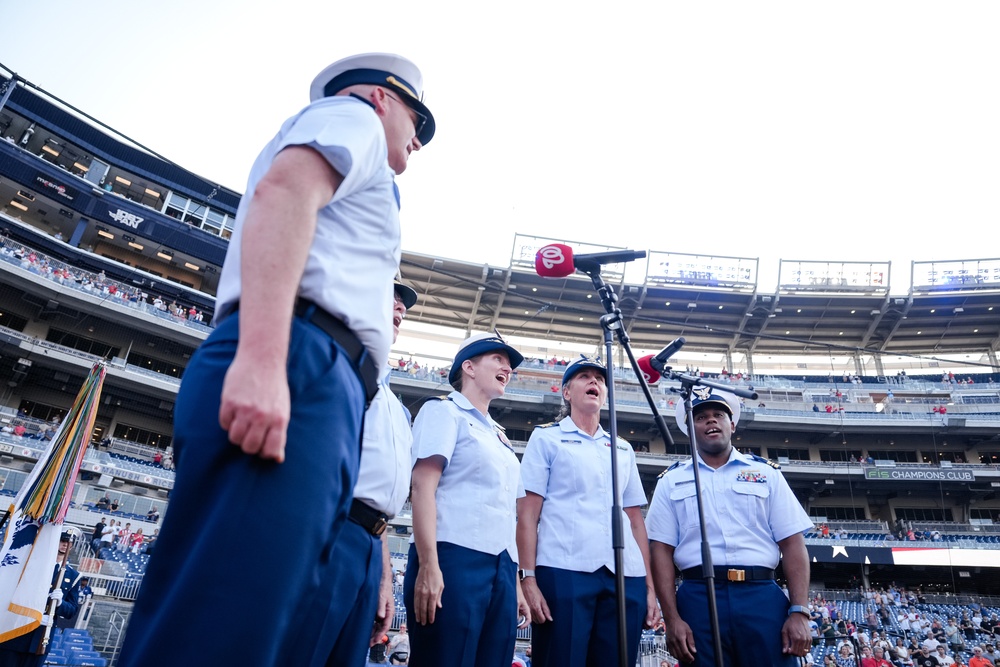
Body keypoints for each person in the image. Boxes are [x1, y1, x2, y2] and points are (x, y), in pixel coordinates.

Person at [119, 52, 435, 667]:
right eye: (415, 116)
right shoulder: (355, 117)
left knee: (251, 623)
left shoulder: (364, 145)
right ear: (380, 99)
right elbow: (285, 189)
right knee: (224, 625)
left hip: (320, 368)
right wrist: (266, 359)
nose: (418, 138)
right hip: (299, 354)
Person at [282, 281, 418, 666]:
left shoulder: (398, 408)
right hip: (329, 527)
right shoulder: (333, 363)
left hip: (370, 544)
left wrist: (384, 578)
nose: (399, 307)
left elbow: (385, 504)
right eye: (388, 296)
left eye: (403, 306)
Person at [647, 388, 814, 666]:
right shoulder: (671, 481)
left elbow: (793, 543)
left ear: (732, 424)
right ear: (689, 429)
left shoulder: (765, 474)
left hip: (761, 595)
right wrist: (672, 618)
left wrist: (799, 611)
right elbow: (660, 551)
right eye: (700, 417)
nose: (711, 421)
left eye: (718, 415)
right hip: (697, 597)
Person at [516, 356, 658, 666]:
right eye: (584, 377)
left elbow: (635, 519)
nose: (594, 382)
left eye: (600, 378)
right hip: (564, 568)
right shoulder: (547, 437)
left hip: (625, 574)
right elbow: (528, 513)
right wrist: (528, 577)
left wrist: (650, 587)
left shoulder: (622, 448)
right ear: (566, 392)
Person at [404, 332, 531, 667]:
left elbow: (508, 514)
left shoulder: (499, 435)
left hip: (501, 567)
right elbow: (422, 488)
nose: (508, 367)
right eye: (499, 359)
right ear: (469, 367)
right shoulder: (443, 412)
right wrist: (429, 564)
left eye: (510, 364)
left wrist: (514, 582)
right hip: (454, 557)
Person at [0, 532, 82, 666]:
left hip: (41, 637)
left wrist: (60, 603)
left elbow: (71, 611)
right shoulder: (32, 564)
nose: (65, 545)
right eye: (62, 541)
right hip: (17, 629)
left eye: (69, 543)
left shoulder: (73, 576)